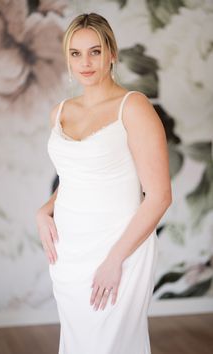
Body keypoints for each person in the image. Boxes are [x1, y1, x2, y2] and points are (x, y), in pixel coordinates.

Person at [36, 12, 172, 354]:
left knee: (111, 345)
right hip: (69, 254)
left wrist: (115, 261)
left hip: (119, 248)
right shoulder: (60, 112)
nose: (86, 62)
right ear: (67, 57)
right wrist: (46, 209)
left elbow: (159, 196)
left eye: (95, 51)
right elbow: (76, 176)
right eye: (76, 53)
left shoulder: (134, 107)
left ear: (112, 53)